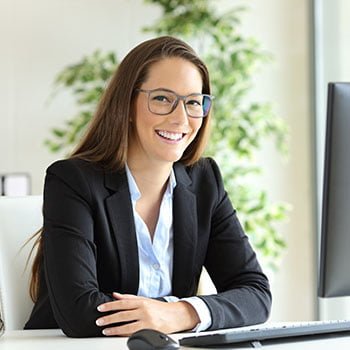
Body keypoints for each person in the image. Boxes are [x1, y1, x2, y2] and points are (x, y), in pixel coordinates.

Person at [25, 36, 271, 338]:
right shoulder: (73, 181)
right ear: (127, 104)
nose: (181, 118)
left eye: (193, 102)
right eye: (162, 99)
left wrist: (178, 313)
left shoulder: (205, 181)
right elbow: (79, 313)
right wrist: (170, 313)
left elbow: (256, 294)